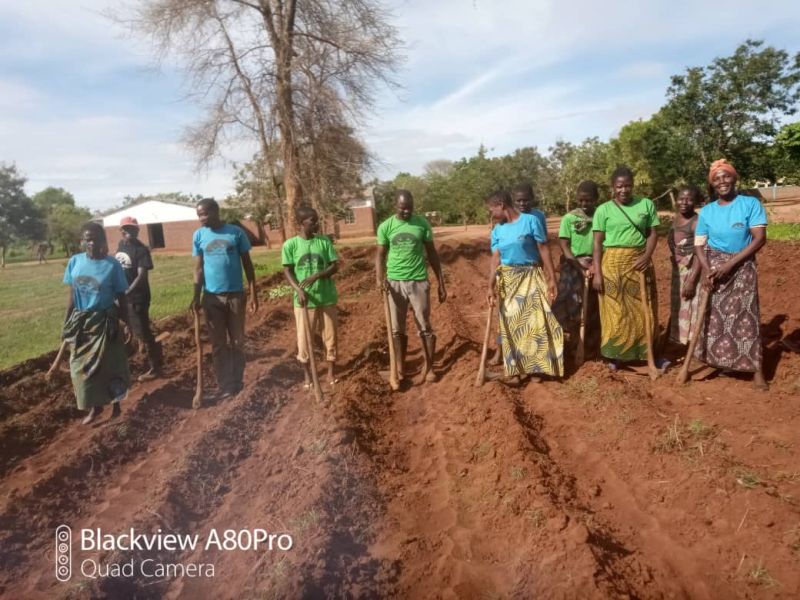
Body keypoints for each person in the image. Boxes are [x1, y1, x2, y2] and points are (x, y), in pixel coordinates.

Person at [693, 159, 768, 389]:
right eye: (716, 179)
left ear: (734, 178)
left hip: (742, 265)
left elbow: (759, 238)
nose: (722, 181)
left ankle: (756, 370)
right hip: (714, 267)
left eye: (726, 176)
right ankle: (719, 362)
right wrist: (707, 269)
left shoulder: (750, 204)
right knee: (714, 317)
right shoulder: (706, 211)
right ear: (712, 184)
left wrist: (730, 265)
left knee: (747, 316)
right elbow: (699, 244)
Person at [486, 190, 563, 385]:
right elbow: (495, 259)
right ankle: (513, 371)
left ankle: (536, 368)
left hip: (531, 275)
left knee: (535, 323)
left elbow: (543, 249)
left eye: (491, 209)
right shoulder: (497, 230)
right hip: (508, 280)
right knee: (512, 325)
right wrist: (490, 286)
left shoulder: (530, 221)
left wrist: (552, 278)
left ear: (501, 205)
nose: (491, 214)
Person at [375, 190, 447, 383]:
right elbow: (380, 255)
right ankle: (399, 369)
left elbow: (432, 254)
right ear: (394, 206)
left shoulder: (422, 224)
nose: (406, 212)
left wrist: (441, 281)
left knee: (424, 325)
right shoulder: (386, 226)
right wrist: (379, 278)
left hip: (418, 280)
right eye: (402, 208)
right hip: (394, 282)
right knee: (397, 329)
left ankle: (429, 368)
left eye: (409, 208)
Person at [190, 198, 258, 398]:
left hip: (235, 296)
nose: (201, 218)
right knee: (218, 345)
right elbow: (198, 268)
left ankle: (237, 381)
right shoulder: (199, 235)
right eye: (199, 215)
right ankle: (225, 385)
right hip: (211, 298)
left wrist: (253, 293)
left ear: (216, 212)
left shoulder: (235, 232)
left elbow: (248, 265)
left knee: (237, 342)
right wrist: (196, 296)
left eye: (204, 214)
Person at [592, 166, 660, 368]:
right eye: (620, 186)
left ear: (633, 185)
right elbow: (597, 243)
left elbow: (653, 234)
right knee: (615, 310)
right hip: (612, 264)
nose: (624, 190)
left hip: (639, 262)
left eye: (628, 186)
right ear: (613, 187)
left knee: (643, 308)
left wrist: (647, 256)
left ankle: (644, 353)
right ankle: (615, 356)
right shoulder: (603, 210)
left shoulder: (646, 204)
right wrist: (597, 272)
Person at [62, 222, 130, 424]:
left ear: (102, 240)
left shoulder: (112, 265)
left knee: (111, 365)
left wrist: (126, 324)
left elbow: (122, 297)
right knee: (81, 367)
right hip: (81, 323)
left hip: (105, 322)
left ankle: (116, 406)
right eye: (87, 238)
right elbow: (72, 297)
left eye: (95, 238)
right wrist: (66, 324)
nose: (91, 242)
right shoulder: (74, 262)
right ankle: (95, 407)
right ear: (82, 240)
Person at [282, 206, 340, 387]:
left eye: (316, 220)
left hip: (327, 297)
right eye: (312, 221)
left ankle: (330, 373)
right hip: (304, 300)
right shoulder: (290, 245)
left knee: (330, 337)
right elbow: (287, 270)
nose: (316, 224)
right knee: (304, 339)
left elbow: (334, 266)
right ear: (301, 224)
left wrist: (317, 275)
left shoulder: (324, 242)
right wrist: (298, 290)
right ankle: (308, 376)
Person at [553, 181, 601, 360]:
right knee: (571, 303)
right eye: (581, 200)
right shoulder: (569, 218)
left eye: (588, 200)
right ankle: (572, 342)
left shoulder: (601, 215)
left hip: (596, 262)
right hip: (573, 264)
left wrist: (595, 264)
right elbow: (564, 245)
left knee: (594, 305)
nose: (584, 204)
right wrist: (580, 267)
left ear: (596, 199)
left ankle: (592, 344)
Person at [115, 216, 162, 381]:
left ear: (138, 230)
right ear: (121, 231)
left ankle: (156, 367)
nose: (130, 232)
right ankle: (129, 363)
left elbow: (141, 276)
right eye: (127, 229)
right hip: (121, 296)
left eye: (133, 229)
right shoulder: (121, 246)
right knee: (126, 328)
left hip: (137, 297)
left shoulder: (141, 250)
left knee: (143, 332)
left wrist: (127, 291)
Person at [668, 186, 703, 345]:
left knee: (690, 304)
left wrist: (692, 280)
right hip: (678, 270)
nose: (684, 202)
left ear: (695, 202)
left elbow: (699, 252)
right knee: (678, 304)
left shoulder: (696, 222)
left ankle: (691, 343)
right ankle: (678, 340)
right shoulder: (677, 218)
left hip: (690, 271)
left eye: (689, 199)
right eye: (681, 198)